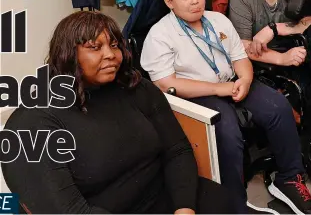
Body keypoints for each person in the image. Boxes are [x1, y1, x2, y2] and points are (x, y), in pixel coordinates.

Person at [1, 11, 235, 214]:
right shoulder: (33, 122)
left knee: (223, 201)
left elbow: (176, 150)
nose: (111, 54)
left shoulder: (136, 86)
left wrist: (184, 208)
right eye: (95, 47)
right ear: (67, 55)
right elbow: (68, 211)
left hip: (159, 197)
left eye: (114, 45)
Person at [141, 0, 311, 215]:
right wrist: (221, 89)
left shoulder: (218, 20)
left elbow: (240, 59)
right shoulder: (159, 36)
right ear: (169, 2)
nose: (195, 1)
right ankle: (235, 204)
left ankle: (289, 178)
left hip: (234, 82)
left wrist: (246, 80)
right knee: (227, 132)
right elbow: (167, 84)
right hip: (197, 96)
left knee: (278, 106)